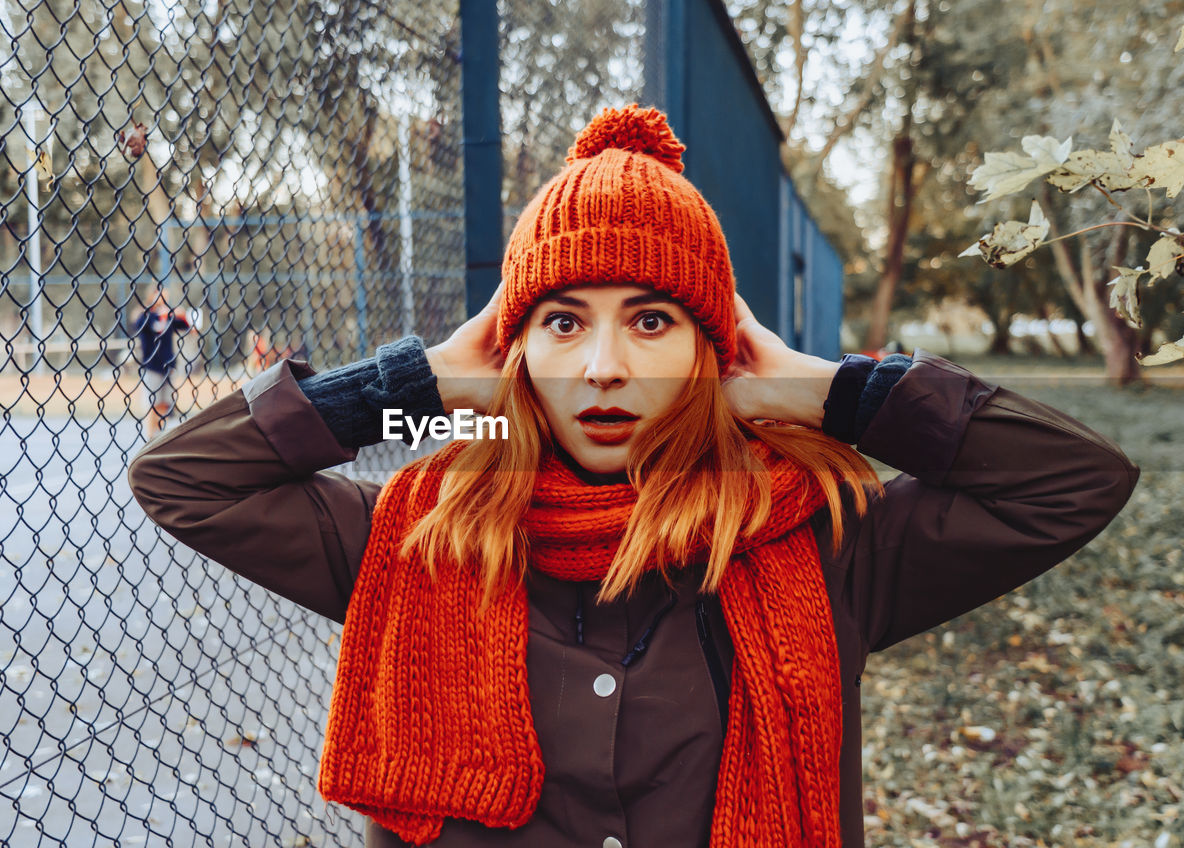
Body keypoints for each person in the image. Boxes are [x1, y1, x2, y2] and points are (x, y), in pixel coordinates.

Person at [126, 105, 1140, 847]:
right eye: (562, 320)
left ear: (709, 347)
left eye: (650, 319)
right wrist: (418, 381)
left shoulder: (827, 541)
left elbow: (1069, 481)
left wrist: (830, 391)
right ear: (514, 347)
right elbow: (184, 479)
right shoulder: (414, 533)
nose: (603, 364)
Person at [127, 285, 197, 439]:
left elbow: (188, 327)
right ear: (152, 296)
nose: (163, 299)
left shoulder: (169, 315)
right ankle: (150, 436)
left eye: (165, 296)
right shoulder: (146, 316)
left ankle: (158, 434)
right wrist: (163, 314)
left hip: (168, 365)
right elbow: (142, 325)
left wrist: (182, 314)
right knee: (152, 403)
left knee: (165, 403)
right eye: (160, 295)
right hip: (152, 366)